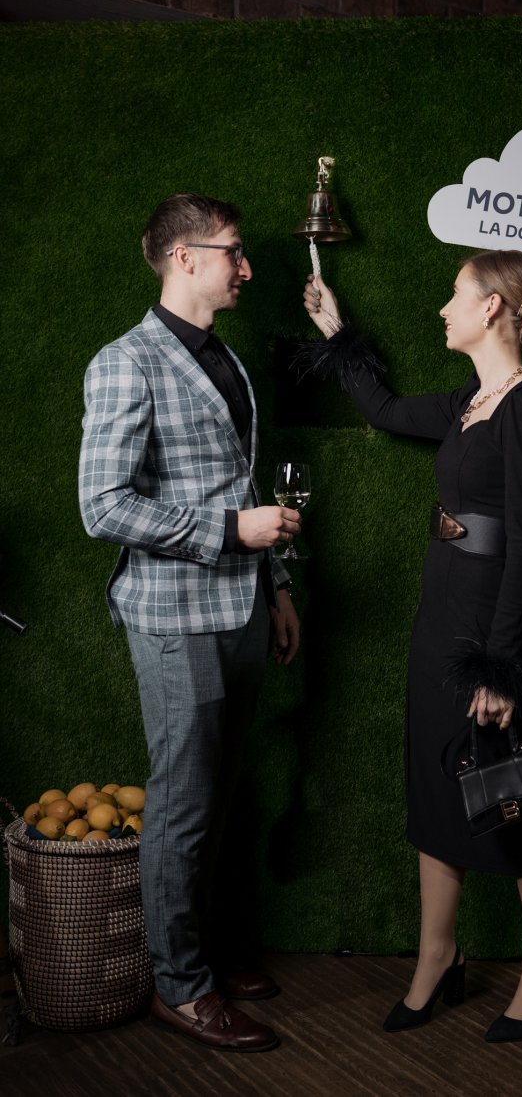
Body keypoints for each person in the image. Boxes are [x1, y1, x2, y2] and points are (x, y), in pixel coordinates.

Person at [302, 249, 522, 1043]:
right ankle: (436, 957)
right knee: (432, 780)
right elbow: (385, 410)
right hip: (439, 614)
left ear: (490, 307)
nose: (442, 309)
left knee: (509, 794)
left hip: (488, 624)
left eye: (455, 295)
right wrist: (337, 332)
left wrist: (501, 665)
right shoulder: (465, 402)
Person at [79, 193, 301, 1053]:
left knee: (221, 796)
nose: (246, 267)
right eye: (234, 252)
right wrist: (230, 533)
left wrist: (276, 587)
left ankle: (206, 954)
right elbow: (103, 506)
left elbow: (238, 485)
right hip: (174, 617)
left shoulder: (224, 357)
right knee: (183, 805)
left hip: (242, 606)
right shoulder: (124, 362)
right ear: (184, 258)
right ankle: (179, 987)